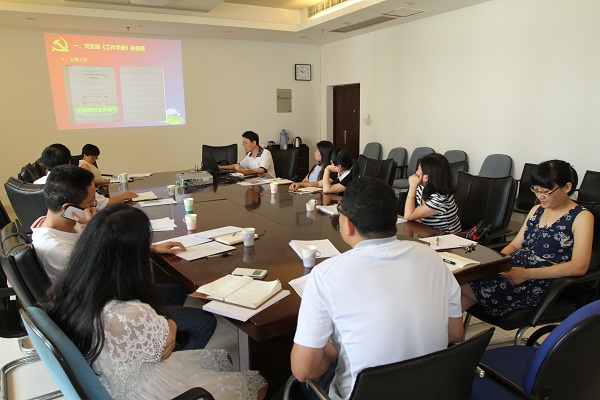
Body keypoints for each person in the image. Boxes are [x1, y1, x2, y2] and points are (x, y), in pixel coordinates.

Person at [40, 204, 267, 400]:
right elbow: (163, 350)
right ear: (133, 257)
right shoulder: (129, 312)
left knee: (222, 362)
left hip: (109, 378)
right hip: (146, 390)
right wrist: (171, 324)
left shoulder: (70, 286)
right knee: (258, 384)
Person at [291, 177, 463, 400]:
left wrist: (333, 347)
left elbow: (304, 371)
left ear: (347, 224)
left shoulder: (325, 275)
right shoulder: (432, 257)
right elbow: (455, 333)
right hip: (430, 389)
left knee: (293, 385)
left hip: (362, 394)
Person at [32, 164, 216, 351]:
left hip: (103, 295)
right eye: (91, 203)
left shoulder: (71, 223)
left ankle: (157, 338)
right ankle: (154, 355)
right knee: (204, 322)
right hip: (99, 310)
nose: (94, 208)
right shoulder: (56, 248)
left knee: (177, 291)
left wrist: (152, 248)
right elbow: (103, 281)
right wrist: (96, 226)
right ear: (68, 208)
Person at [461, 160, 594, 317]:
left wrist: (527, 274)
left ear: (567, 187)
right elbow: (516, 244)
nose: (540, 196)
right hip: (515, 269)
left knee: (455, 285)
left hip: (539, 280)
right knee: (456, 288)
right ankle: (446, 331)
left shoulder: (581, 217)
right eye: (536, 190)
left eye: (545, 192)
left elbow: (579, 266)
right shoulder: (537, 210)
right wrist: (497, 263)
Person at [34, 143, 137, 206]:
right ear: (69, 162)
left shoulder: (35, 185)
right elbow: (103, 204)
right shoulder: (79, 184)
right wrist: (125, 196)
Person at [403, 153, 461, 234]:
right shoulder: (422, 187)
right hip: (428, 232)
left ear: (426, 177)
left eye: (418, 169)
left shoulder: (441, 199)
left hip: (447, 237)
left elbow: (408, 216)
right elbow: (414, 216)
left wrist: (412, 187)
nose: (415, 172)